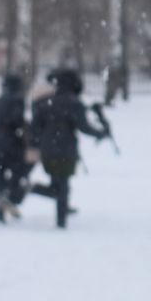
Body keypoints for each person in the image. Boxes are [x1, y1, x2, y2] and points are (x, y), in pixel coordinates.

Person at [28, 68, 109, 229]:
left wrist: (41, 142)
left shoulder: (45, 102)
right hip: (66, 150)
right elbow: (84, 127)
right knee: (62, 187)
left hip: (48, 151)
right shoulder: (74, 103)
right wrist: (100, 133)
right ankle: (60, 222)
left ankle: (43, 196)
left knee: (57, 185)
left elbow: (34, 127)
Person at [0, 73, 31, 224]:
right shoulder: (17, 100)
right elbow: (17, 121)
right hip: (9, 143)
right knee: (17, 172)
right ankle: (10, 197)